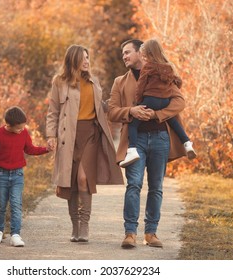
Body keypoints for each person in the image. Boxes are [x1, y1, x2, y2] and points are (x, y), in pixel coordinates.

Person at [108, 39, 187, 249]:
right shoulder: (120, 82)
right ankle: (130, 233)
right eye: (122, 53)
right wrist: (130, 111)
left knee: (156, 187)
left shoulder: (162, 75)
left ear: (140, 53)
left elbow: (179, 101)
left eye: (127, 52)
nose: (124, 56)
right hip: (135, 141)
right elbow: (112, 110)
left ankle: (151, 233)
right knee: (134, 184)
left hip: (160, 138)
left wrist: (158, 114)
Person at [46, 44, 123, 243]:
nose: (88, 61)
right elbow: (53, 111)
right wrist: (50, 135)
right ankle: (75, 227)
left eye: (88, 57)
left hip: (90, 135)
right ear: (74, 60)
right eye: (84, 58)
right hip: (68, 137)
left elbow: (100, 107)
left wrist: (119, 106)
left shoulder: (94, 81)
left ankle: (85, 224)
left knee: (82, 178)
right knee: (70, 181)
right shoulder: (59, 82)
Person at [119, 39, 196, 167]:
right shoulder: (168, 67)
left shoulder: (148, 68)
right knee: (172, 120)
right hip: (164, 101)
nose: (124, 57)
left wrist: (139, 102)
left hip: (150, 100)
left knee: (133, 123)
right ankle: (187, 143)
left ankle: (132, 150)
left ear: (144, 53)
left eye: (127, 52)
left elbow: (141, 86)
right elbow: (177, 82)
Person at [0, 106, 51, 247]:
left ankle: (15, 234)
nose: (21, 130)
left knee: (16, 204)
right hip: (1, 174)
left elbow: (30, 149)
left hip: (17, 175)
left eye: (23, 127)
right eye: (18, 128)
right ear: (9, 125)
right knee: (1, 204)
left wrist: (46, 149)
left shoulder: (24, 133)